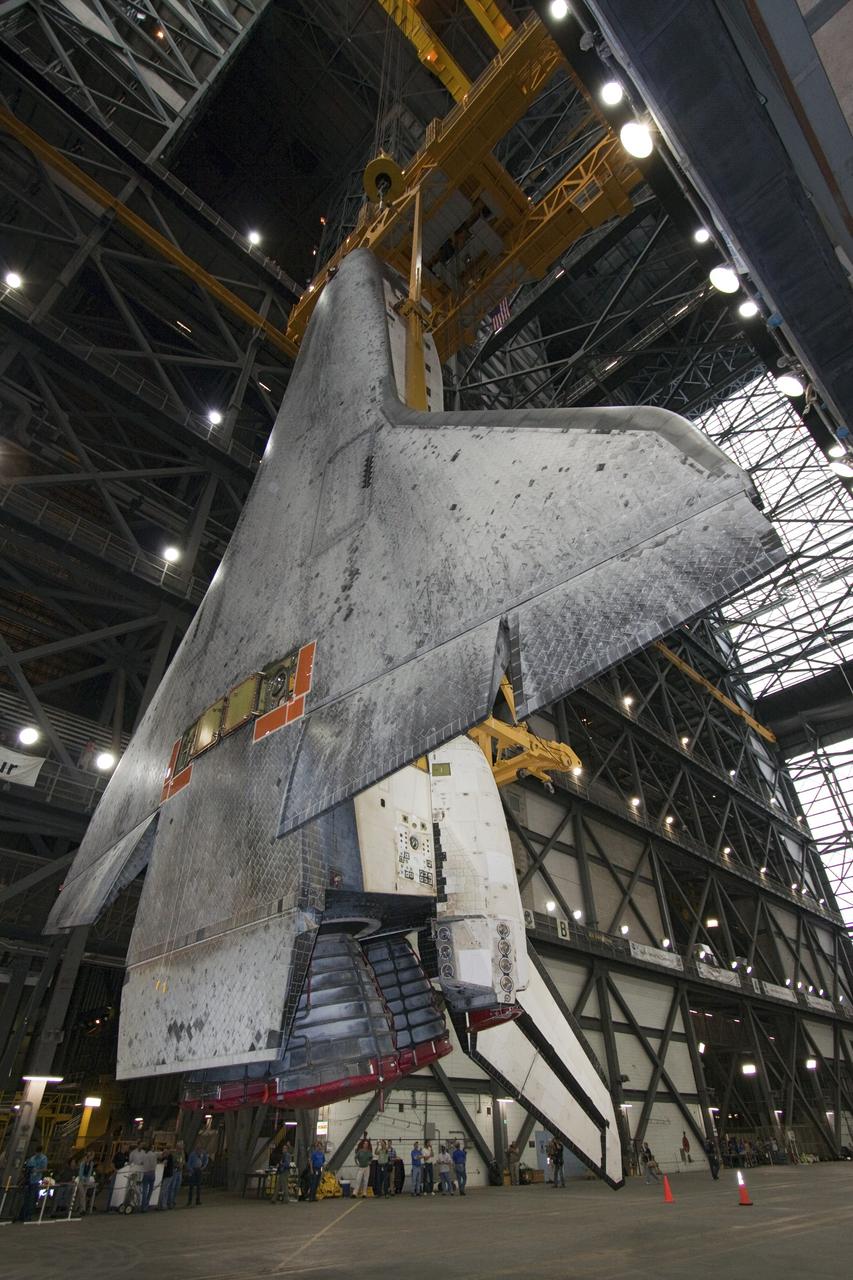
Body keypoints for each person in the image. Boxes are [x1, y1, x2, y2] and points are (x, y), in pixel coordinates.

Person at [17, 1145, 48, 1222]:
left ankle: (24, 1215)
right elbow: (44, 1169)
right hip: (34, 1181)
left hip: (30, 1181)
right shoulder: (43, 1158)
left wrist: (35, 1171)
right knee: (31, 1199)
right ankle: (27, 1215)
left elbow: (27, 1169)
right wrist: (37, 1171)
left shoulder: (32, 1158)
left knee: (28, 1199)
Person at [140, 1144, 158, 1211]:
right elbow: (155, 1164)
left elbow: (141, 1163)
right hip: (152, 1173)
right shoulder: (154, 1155)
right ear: (152, 1148)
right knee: (150, 1190)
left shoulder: (145, 1155)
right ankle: (146, 1204)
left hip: (146, 1173)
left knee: (145, 1190)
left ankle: (143, 1206)